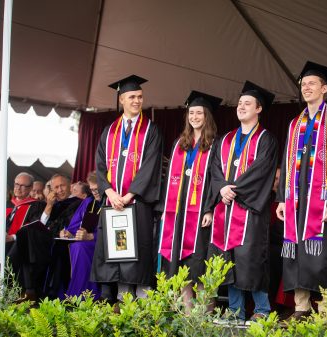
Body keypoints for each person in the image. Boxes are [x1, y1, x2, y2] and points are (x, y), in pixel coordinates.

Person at [275, 61, 327, 321]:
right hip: (296, 203)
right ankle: (301, 307)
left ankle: (326, 310)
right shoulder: (296, 124)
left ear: (324, 88)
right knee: (297, 254)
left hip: (322, 202)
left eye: (311, 84)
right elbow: (285, 161)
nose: (306, 88)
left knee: (323, 257)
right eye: (303, 84)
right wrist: (282, 199)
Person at [209, 81, 278, 324]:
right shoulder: (225, 139)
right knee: (229, 259)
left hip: (250, 211)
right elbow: (214, 169)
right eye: (239, 103)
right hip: (226, 210)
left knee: (251, 258)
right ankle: (235, 311)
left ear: (259, 109)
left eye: (247, 103)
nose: (241, 107)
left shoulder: (266, 140)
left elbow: (261, 172)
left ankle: (262, 309)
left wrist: (233, 190)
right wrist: (221, 188)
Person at [91, 75, 163, 302]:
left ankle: (141, 300)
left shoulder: (151, 130)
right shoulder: (109, 131)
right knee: (118, 248)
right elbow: (100, 165)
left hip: (137, 203)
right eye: (132, 97)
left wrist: (129, 194)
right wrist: (110, 193)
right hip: (114, 204)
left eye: (140, 97)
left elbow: (150, 166)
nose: (137, 101)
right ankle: (122, 297)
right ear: (121, 99)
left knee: (138, 251)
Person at [158, 91, 221, 311]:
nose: (194, 116)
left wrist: (209, 209)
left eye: (199, 113)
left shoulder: (215, 144)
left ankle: (204, 314)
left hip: (200, 214)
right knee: (181, 265)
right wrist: (167, 208)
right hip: (178, 213)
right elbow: (169, 181)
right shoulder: (180, 144)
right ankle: (186, 312)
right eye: (191, 113)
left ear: (207, 116)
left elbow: (216, 180)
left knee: (199, 265)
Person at [11, 174, 82, 302]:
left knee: (27, 239)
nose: (59, 190)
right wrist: (49, 205)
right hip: (45, 241)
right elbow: (42, 224)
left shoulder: (78, 203)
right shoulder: (52, 204)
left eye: (62, 186)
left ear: (70, 186)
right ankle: (27, 289)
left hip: (61, 243)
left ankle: (29, 290)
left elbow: (68, 227)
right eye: (56, 187)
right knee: (24, 236)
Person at [60, 171, 102, 298]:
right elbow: (74, 225)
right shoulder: (88, 202)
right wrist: (68, 233)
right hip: (86, 240)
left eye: (97, 189)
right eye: (92, 189)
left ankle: (81, 295)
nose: (95, 193)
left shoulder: (111, 201)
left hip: (102, 241)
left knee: (80, 247)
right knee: (59, 247)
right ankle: (57, 293)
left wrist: (91, 236)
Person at [5, 173, 45, 253]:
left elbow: (34, 228)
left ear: (30, 188)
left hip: (20, 249)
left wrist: (13, 237)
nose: (18, 188)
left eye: (22, 186)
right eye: (16, 184)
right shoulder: (6, 203)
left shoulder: (37, 206)